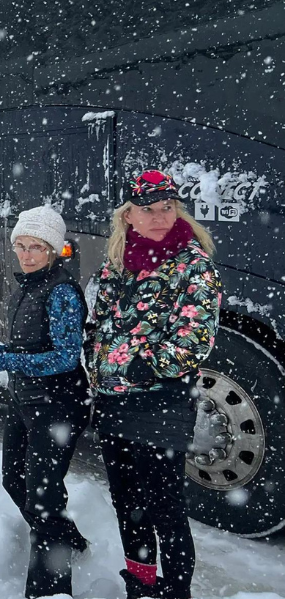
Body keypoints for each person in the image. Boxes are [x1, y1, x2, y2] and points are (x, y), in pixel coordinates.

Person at [86, 170, 221, 599]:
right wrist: (98, 361)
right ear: (129, 215)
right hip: (113, 403)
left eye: (168, 208)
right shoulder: (117, 261)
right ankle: (141, 586)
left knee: (166, 508)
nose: (161, 217)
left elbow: (196, 336)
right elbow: (100, 322)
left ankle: (176, 591)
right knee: (128, 504)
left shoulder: (193, 264)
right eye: (149, 209)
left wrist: (145, 367)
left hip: (160, 404)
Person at [0, 205, 90, 598]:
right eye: (21, 246)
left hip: (58, 404)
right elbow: (30, 346)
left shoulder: (62, 292)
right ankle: (70, 542)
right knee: (14, 479)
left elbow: (66, 356)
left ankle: (49, 590)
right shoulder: (27, 286)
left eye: (37, 247)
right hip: (26, 400)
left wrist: (4, 359)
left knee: (44, 497)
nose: (27, 255)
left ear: (53, 250)